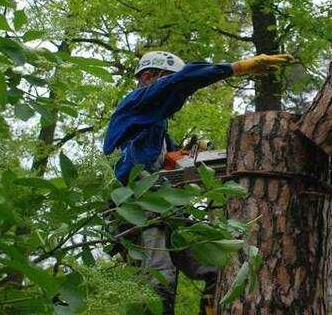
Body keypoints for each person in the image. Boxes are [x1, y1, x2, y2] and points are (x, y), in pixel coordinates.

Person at [103, 50, 293, 314]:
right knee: (158, 279)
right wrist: (238, 67)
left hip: (164, 208)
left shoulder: (155, 129)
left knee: (217, 267)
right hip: (135, 206)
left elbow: (164, 164)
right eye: (168, 82)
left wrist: (182, 156)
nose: (177, 95)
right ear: (148, 77)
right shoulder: (133, 105)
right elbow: (184, 79)